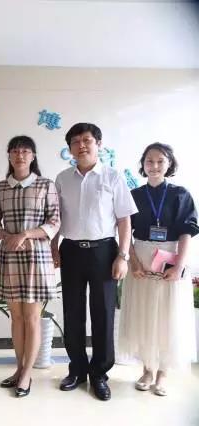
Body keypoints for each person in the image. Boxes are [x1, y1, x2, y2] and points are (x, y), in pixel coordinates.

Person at [51, 123, 137, 401]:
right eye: (75, 142)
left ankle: (99, 373)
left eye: (87, 140)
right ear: (70, 148)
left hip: (104, 251)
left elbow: (124, 220)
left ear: (98, 144)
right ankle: (77, 369)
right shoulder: (62, 178)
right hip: (71, 250)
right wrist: (54, 247)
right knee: (72, 312)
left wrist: (122, 256)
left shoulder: (112, 177)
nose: (82, 146)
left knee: (103, 313)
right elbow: (55, 218)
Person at [118, 142, 198, 396]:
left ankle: (162, 374)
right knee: (143, 315)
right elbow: (124, 231)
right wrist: (133, 262)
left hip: (170, 256)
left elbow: (187, 232)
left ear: (169, 164)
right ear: (142, 164)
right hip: (141, 257)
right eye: (149, 161)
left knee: (167, 316)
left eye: (160, 161)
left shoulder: (180, 194)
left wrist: (178, 266)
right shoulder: (134, 194)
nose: (154, 166)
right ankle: (147, 370)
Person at [0, 136, 60, 397]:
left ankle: (27, 374)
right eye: (15, 151)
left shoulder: (45, 185)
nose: (20, 155)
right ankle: (19, 369)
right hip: (10, 255)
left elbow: (54, 222)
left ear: (33, 156)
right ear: (9, 155)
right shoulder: (0, 187)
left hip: (36, 257)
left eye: (25, 151)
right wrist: (6, 236)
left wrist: (25, 235)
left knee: (32, 318)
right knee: (16, 317)